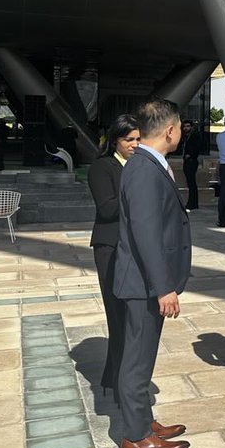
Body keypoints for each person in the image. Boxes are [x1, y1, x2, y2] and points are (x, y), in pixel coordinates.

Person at [113, 99, 191, 448]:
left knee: (143, 355)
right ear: (170, 130)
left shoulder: (145, 163)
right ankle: (136, 436)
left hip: (145, 281)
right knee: (137, 359)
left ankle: (142, 420)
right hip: (144, 284)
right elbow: (146, 233)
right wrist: (164, 287)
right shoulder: (144, 169)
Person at [87, 115, 141, 403]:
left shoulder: (139, 166)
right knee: (118, 316)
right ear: (115, 141)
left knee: (132, 319)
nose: (134, 145)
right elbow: (107, 209)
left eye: (137, 139)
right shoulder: (102, 167)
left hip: (134, 248)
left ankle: (117, 379)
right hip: (110, 248)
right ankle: (120, 386)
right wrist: (137, 190)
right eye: (128, 140)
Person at [181, 121, 202, 211]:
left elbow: (197, 148)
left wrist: (190, 154)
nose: (186, 128)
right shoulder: (184, 137)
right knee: (190, 183)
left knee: (192, 183)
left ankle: (192, 203)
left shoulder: (194, 136)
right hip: (187, 161)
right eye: (184, 126)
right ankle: (192, 202)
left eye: (188, 126)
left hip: (192, 161)